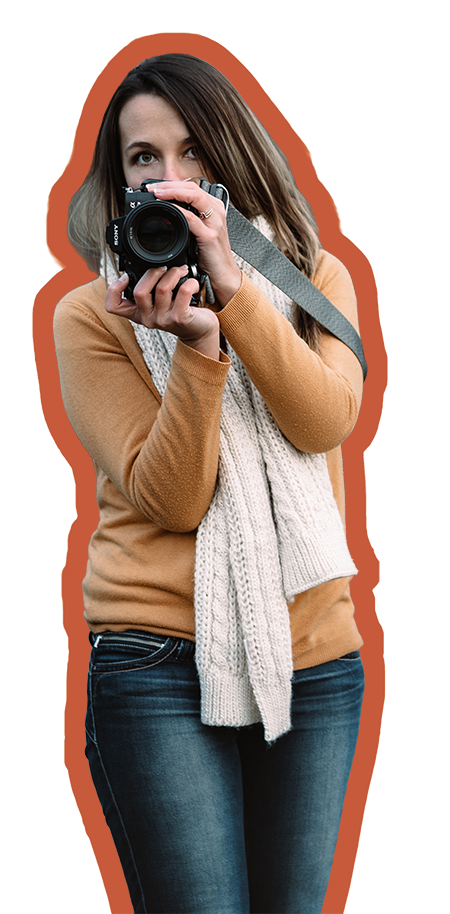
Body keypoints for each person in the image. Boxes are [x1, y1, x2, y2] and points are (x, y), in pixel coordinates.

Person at [53, 52, 365, 914]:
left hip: (315, 662)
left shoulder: (311, 279)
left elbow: (326, 420)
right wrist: (197, 350)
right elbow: (174, 500)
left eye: (192, 153)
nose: (169, 179)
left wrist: (238, 298)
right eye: (143, 159)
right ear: (120, 181)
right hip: (155, 663)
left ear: (232, 156)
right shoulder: (89, 316)